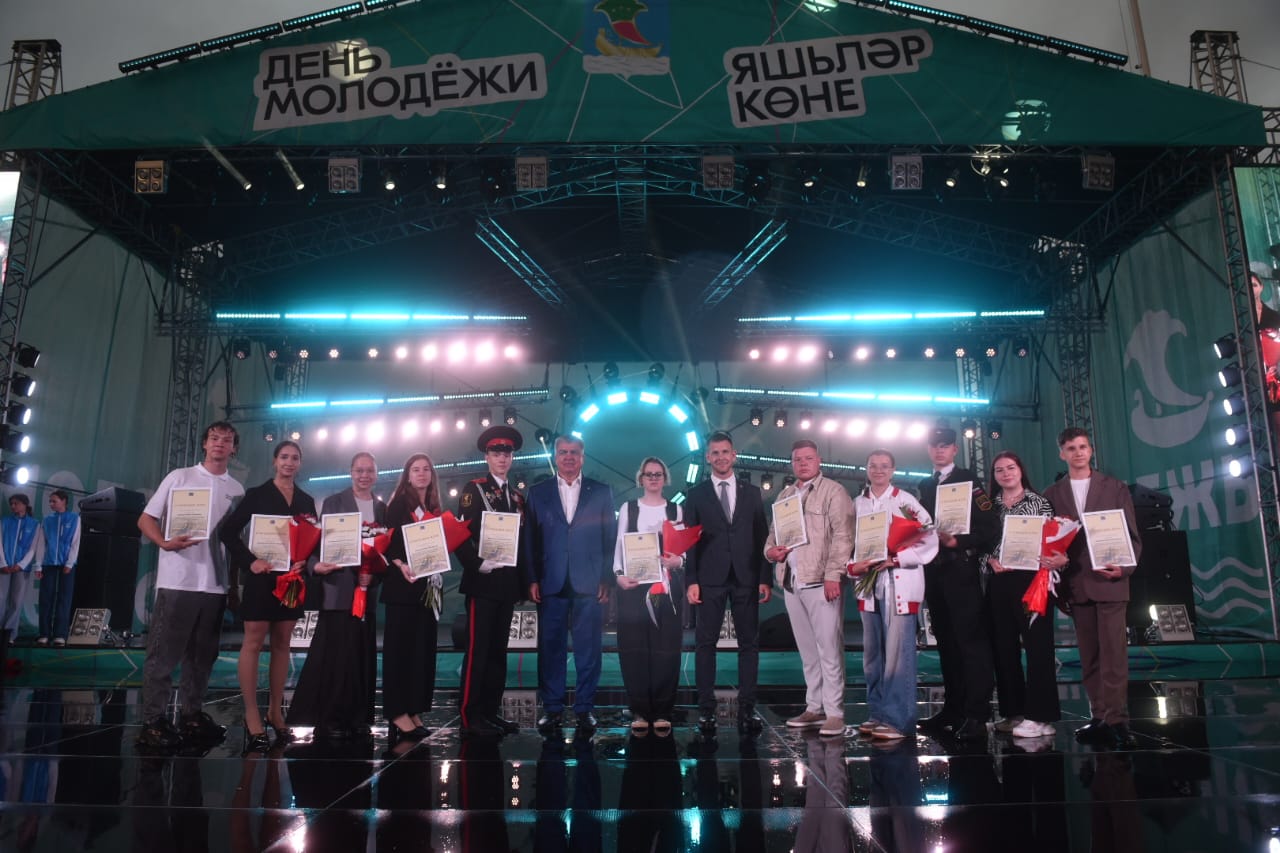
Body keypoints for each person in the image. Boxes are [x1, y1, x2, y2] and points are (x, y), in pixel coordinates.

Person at [136, 421, 245, 750]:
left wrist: (233, 586)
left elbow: (236, 543)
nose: (220, 443)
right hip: (178, 581)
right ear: (205, 444)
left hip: (215, 586)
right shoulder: (179, 477)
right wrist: (163, 542)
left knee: (202, 658)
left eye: (227, 440)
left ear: (234, 449)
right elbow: (145, 519)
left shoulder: (237, 490)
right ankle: (153, 721)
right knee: (163, 656)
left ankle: (191, 714)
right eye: (214, 438)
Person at [1042, 427, 1142, 749]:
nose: (1078, 453)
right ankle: (1098, 716)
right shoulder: (1052, 493)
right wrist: (1055, 563)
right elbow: (1050, 538)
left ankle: (1117, 720)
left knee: (1114, 655)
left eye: (1083, 447)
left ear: (1091, 450)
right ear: (1062, 453)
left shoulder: (1114, 487)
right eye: (1071, 448)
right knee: (1090, 656)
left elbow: (1132, 535)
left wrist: (1125, 567)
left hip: (1110, 580)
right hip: (1076, 583)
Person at [219, 440, 315, 752]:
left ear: (300, 464)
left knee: (283, 644)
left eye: (295, 458)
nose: (289, 462)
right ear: (275, 461)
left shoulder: (306, 500)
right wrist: (250, 562)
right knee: (253, 642)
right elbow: (227, 532)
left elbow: (312, 540)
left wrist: (304, 560)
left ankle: (275, 712)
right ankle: (251, 714)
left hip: (291, 580)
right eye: (284, 457)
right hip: (261, 580)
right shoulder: (257, 494)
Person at [288, 451, 387, 739]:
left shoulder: (382, 508)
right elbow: (316, 544)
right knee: (334, 658)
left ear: (376, 474)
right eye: (359, 470)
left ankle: (358, 717)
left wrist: (374, 575)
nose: (364, 475)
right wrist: (314, 566)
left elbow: (384, 551)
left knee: (360, 658)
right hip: (337, 589)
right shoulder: (334, 502)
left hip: (366, 592)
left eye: (369, 470)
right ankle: (330, 717)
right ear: (351, 472)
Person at [522, 434, 616, 735]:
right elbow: (529, 540)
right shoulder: (538, 493)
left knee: (589, 649)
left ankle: (585, 708)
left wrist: (607, 578)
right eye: (563, 452)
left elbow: (610, 538)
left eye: (574, 452)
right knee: (551, 648)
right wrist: (532, 578)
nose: (569, 457)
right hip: (551, 580)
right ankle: (552, 709)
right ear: (555, 456)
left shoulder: (601, 491)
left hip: (589, 581)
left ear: (583, 457)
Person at [764, 440, 854, 738]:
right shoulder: (785, 495)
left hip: (820, 580)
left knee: (829, 647)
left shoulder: (834, 492)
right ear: (792, 463)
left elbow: (843, 536)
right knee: (807, 650)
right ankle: (814, 707)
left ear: (819, 461)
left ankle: (835, 712)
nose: (803, 463)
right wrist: (770, 553)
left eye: (808, 458)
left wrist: (833, 574)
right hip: (792, 580)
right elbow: (772, 536)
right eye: (798, 459)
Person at [684, 430, 771, 735]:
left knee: (749, 645)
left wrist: (764, 578)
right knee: (705, 645)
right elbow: (690, 542)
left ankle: (747, 709)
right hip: (709, 579)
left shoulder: (752, 493)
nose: (721, 457)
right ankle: (706, 711)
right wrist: (691, 580)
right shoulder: (696, 494)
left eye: (725, 452)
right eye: (715, 453)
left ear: (734, 455)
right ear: (708, 457)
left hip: (747, 577)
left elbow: (762, 537)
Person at [848, 449, 938, 741]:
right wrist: (852, 565)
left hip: (899, 584)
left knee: (898, 656)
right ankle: (878, 713)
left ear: (893, 470)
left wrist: (897, 559)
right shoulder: (857, 504)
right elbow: (846, 543)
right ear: (866, 468)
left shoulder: (906, 501)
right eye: (873, 465)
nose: (878, 470)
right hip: (869, 587)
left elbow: (929, 537)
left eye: (884, 466)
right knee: (873, 656)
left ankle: (899, 720)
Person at [916, 427, 1000, 741]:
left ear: (954, 449)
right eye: (934, 445)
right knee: (947, 644)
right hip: (934, 572)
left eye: (945, 445)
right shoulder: (925, 485)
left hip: (961, 570)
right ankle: (953, 709)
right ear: (928, 449)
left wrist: (958, 541)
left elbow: (990, 528)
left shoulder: (970, 481)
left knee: (971, 644)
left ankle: (977, 713)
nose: (939, 450)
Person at [980, 451, 1061, 739]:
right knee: (1003, 648)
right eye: (999, 470)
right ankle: (1012, 712)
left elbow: (1052, 541)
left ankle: (1041, 716)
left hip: (1031, 581)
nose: (1005, 473)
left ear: (1021, 470)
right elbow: (980, 544)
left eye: (1010, 467)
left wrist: (1045, 557)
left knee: (1038, 647)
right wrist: (989, 560)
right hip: (999, 581)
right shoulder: (988, 506)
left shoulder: (1039, 502)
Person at [454, 425, 527, 738]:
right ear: (487, 456)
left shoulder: (517, 497)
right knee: (478, 651)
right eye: (497, 452)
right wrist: (476, 564)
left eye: (507, 453)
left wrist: (522, 584)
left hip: (507, 585)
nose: (502, 458)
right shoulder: (474, 489)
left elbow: (522, 545)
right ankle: (469, 715)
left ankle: (489, 710)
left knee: (498, 651)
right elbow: (460, 535)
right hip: (482, 582)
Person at [613, 456, 684, 734]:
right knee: (634, 650)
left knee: (667, 649)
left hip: (665, 588)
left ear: (665, 478)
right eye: (648, 474)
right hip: (633, 587)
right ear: (640, 478)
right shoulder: (628, 508)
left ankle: (663, 710)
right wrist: (619, 575)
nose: (653, 478)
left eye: (658, 474)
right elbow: (619, 545)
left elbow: (684, 550)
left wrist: (679, 561)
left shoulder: (676, 509)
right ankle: (640, 710)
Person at [382, 452, 444, 742]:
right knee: (400, 653)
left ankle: (413, 708)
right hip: (402, 588)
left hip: (426, 589)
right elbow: (387, 545)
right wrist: (400, 564)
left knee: (421, 652)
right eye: (416, 469)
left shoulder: (433, 507)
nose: (421, 473)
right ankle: (397, 711)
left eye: (426, 469)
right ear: (407, 475)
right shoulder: (397, 505)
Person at [36, 490, 81, 647]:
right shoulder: (47, 520)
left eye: (54, 501)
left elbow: (75, 543)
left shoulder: (74, 518)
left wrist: (69, 563)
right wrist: (38, 564)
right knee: (45, 599)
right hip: (49, 564)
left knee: (64, 599)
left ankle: (60, 634)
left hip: (66, 565)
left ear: (64, 501)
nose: (51, 504)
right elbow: (42, 543)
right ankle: (44, 633)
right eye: (50, 501)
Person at [0, 494, 40, 652]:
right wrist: (3, 563)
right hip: (4, 566)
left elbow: (33, 549)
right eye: (11, 504)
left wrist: (21, 565)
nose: (13, 506)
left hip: (21, 568)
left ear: (24, 505)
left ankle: (10, 634)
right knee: (1, 599)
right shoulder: (4, 521)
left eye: (16, 503)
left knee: (16, 602)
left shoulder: (34, 524)